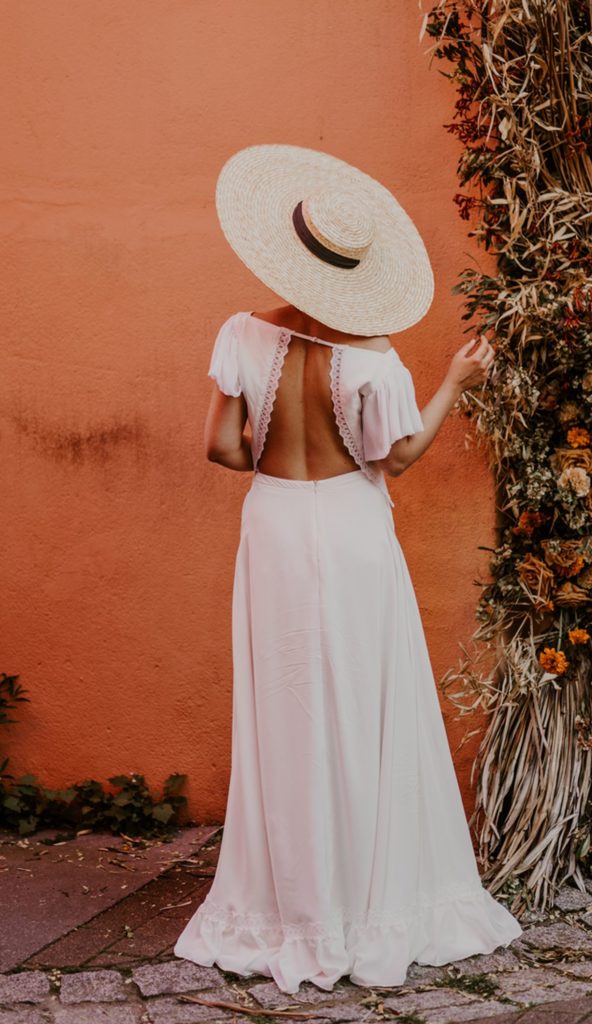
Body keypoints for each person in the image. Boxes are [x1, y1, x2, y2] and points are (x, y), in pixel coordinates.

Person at [173, 144, 523, 994]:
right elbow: (395, 459)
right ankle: (369, 892)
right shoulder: (375, 358)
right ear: (356, 271)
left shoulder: (240, 334)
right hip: (355, 533)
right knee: (364, 702)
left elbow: (222, 448)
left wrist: (272, 448)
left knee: (284, 702)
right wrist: (455, 382)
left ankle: (291, 900)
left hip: (275, 527)